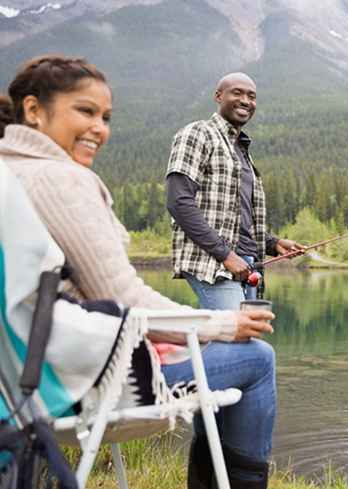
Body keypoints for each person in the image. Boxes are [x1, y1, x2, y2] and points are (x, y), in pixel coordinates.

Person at [0, 55, 277, 489]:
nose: (100, 129)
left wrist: (270, 244)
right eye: (85, 111)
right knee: (256, 357)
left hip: (16, 388)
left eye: (106, 117)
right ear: (34, 110)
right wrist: (224, 324)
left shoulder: (8, 174)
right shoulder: (60, 179)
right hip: (77, 387)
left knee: (215, 350)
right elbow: (125, 296)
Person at [166, 72, 304, 310]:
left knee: (243, 339)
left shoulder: (242, 149)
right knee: (239, 340)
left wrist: (274, 243)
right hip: (214, 264)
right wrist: (226, 255)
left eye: (252, 96)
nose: (245, 101)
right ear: (218, 96)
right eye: (237, 93)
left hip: (248, 264)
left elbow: (236, 214)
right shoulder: (198, 133)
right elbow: (179, 202)